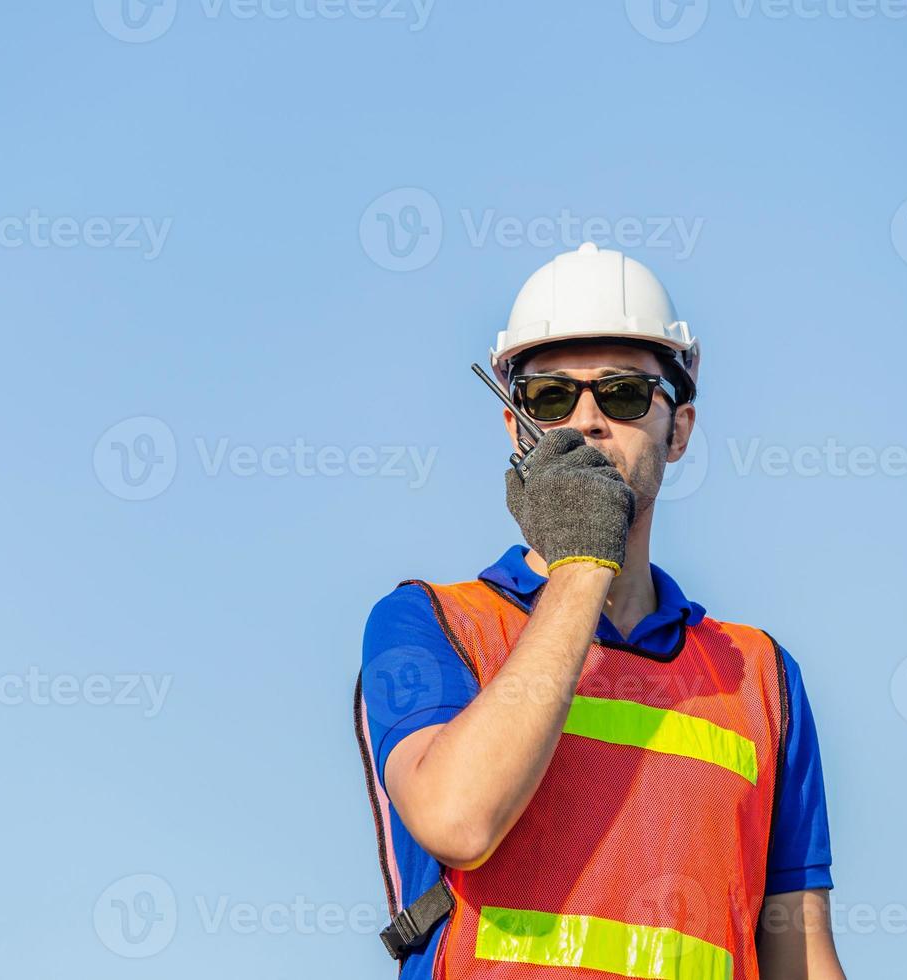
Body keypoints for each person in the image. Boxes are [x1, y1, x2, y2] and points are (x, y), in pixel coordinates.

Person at [354, 243, 844, 980]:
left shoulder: (763, 679)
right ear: (517, 426)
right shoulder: (432, 625)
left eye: (622, 394)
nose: (585, 421)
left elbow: (798, 956)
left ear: (677, 430)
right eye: (551, 397)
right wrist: (583, 560)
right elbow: (458, 819)